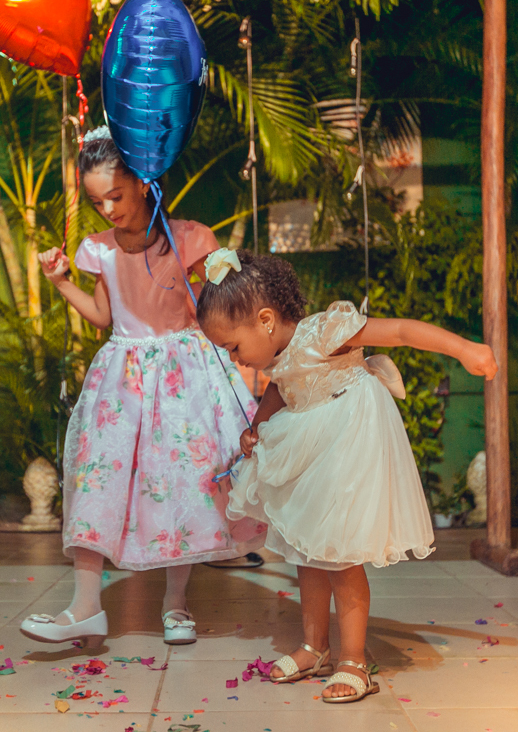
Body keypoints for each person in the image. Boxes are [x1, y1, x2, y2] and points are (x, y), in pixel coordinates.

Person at [196, 248, 498, 703]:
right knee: (307, 551)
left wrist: (463, 349)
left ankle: (353, 657)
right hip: (309, 448)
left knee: (340, 556)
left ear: (265, 319)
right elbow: (280, 386)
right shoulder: (276, 355)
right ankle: (314, 647)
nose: (236, 360)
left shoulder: (323, 330)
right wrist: (256, 426)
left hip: (349, 440)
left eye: (232, 347)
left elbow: (398, 331)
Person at [21, 127, 259, 648]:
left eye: (117, 195)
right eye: (96, 200)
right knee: (97, 477)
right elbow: (106, 316)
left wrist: (210, 288)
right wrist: (62, 282)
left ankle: (176, 604)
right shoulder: (97, 251)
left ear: (145, 182)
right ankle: (85, 607)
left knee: (181, 479)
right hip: (121, 376)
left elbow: (210, 312)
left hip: (182, 373)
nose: (107, 209)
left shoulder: (192, 237)